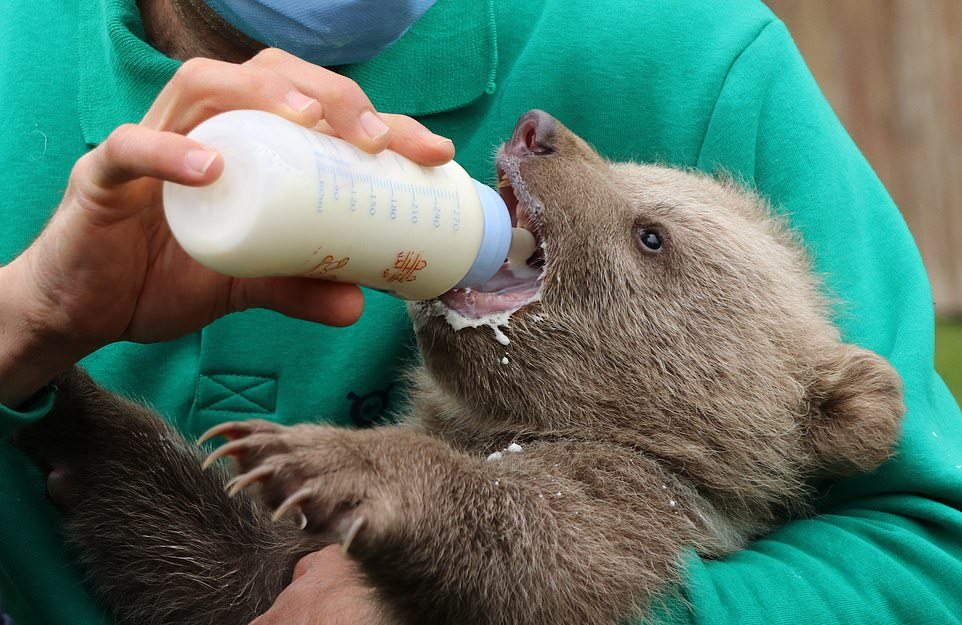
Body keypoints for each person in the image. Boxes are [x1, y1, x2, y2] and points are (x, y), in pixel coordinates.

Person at [1, 0, 960, 624]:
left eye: (650, 242)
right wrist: (27, 336)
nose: (548, 136)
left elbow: (928, 559)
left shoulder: (693, 57)